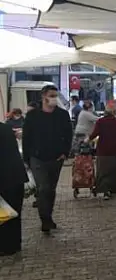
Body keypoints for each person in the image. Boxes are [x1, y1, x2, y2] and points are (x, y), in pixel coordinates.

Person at [22, 85, 72, 233]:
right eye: (51, 95)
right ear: (44, 96)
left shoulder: (62, 115)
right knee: (43, 188)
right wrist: (27, 158)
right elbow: (26, 137)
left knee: (50, 189)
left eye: (55, 95)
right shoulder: (33, 116)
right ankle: (45, 219)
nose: (54, 98)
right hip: (37, 158)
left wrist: (65, 152)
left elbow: (69, 134)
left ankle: (48, 216)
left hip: (56, 158)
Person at [89, 101, 116, 199]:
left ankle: (105, 190)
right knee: (114, 171)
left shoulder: (100, 122)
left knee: (103, 170)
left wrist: (87, 140)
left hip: (103, 149)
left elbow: (95, 133)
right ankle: (113, 189)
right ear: (115, 112)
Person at [0, 121, 29, 255]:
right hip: (17, 176)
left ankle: (5, 247)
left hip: (4, 178)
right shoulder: (6, 128)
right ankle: (15, 244)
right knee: (15, 212)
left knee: (4, 213)